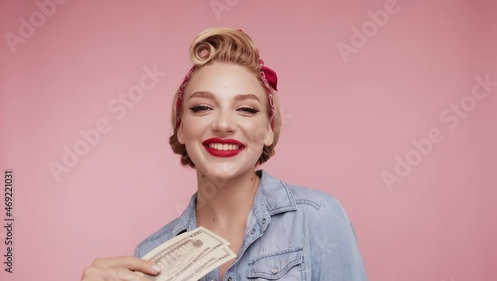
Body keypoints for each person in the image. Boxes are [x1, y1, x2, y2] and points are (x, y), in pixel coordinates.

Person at [81, 27, 368, 281]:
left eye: (246, 109)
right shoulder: (149, 255)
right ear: (181, 128)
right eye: (202, 107)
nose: (223, 124)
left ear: (269, 129)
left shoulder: (318, 218)